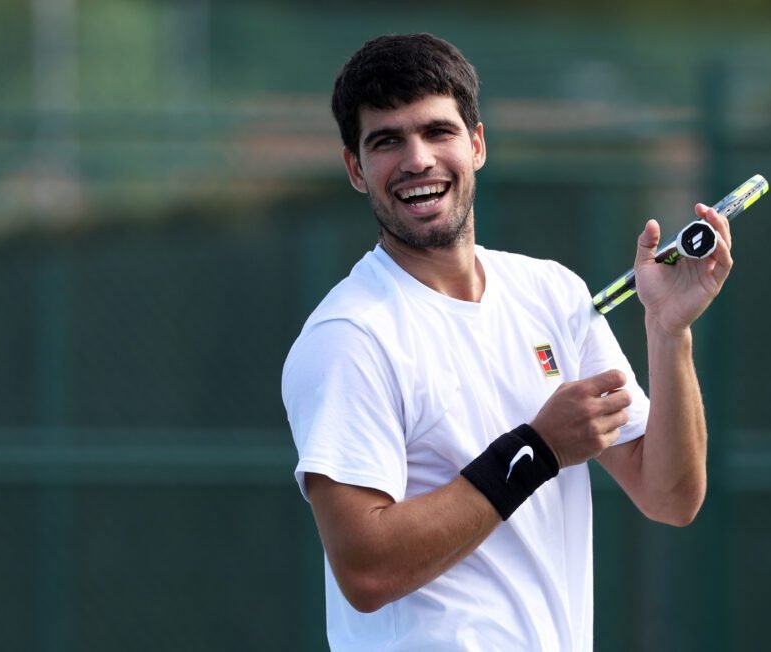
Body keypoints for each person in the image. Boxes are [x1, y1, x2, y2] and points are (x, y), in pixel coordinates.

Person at [281, 32, 732, 652]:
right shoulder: (349, 338)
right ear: (356, 169)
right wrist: (539, 450)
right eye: (387, 141)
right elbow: (366, 568)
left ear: (477, 144)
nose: (417, 160)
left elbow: (671, 494)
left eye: (438, 132)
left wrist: (669, 331)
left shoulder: (550, 292)